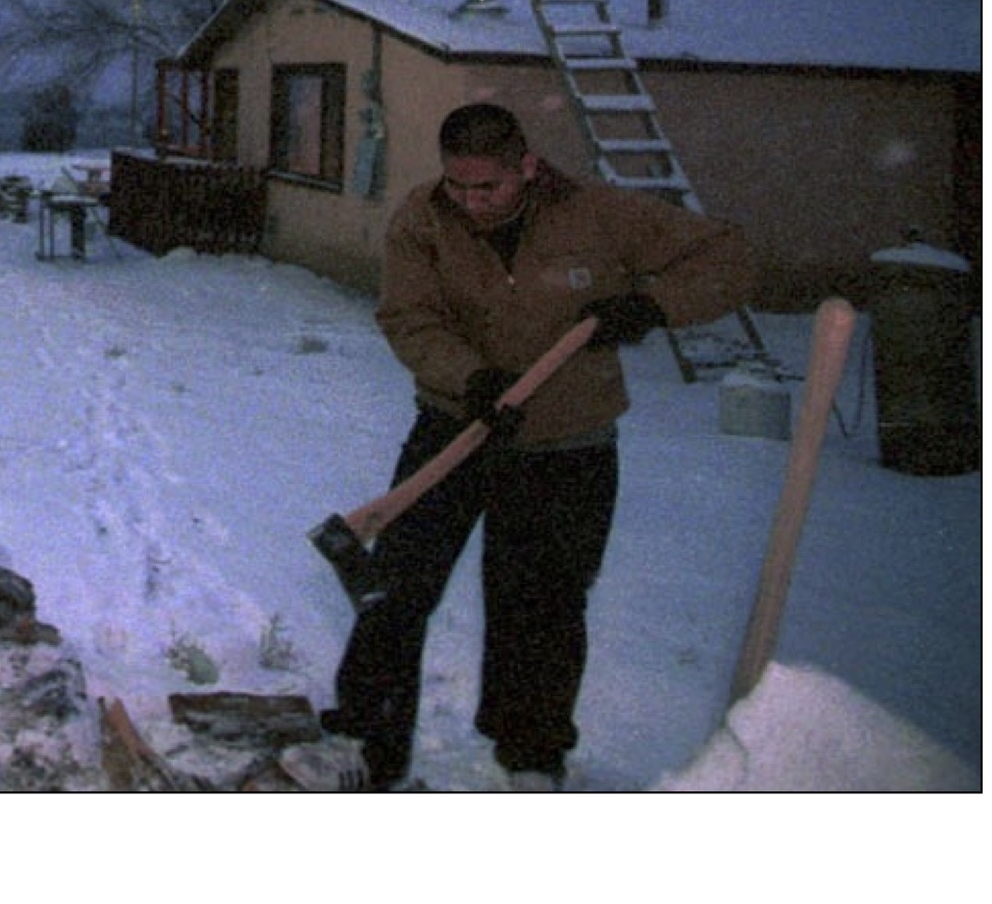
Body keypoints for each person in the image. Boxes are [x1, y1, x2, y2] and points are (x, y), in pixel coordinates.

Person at [321, 101, 755, 790]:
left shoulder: (598, 214)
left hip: (567, 443)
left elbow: (728, 255)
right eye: (457, 187)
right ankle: (366, 742)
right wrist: (473, 379)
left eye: (487, 188)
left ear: (526, 166)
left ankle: (532, 757)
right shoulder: (422, 218)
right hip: (455, 429)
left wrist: (650, 306)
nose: (471, 203)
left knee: (544, 605)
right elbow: (408, 316)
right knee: (398, 589)